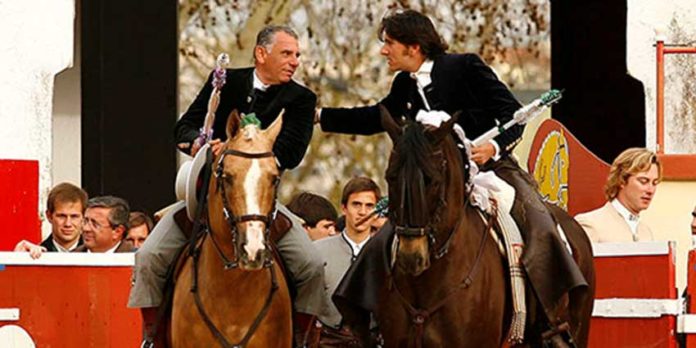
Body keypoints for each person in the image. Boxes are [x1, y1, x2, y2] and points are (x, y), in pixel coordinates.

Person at [318, 9, 586, 342]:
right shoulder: (404, 83)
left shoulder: (465, 67)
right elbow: (377, 116)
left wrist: (494, 148)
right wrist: (321, 116)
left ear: (413, 47)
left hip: (491, 166)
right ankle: (361, 321)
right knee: (389, 234)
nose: (384, 50)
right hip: (434, 179)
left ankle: (551, 324)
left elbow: (510, 113)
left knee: (537, 219)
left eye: (389, 43)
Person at [129, 24, 325, 346]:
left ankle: (301, 339)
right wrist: (200, 145)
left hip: (262, 201)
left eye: (297, 55)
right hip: (207, 198)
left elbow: (291, 152)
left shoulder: (301, 99)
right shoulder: (225, 81)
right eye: (287, 53)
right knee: (149, 257)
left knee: (312, 265)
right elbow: (185, 128)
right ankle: (151, 337)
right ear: (261, 53)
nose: (295, 61)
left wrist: (244, 149)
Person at [314, 177, 381, 345]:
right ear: (344, 208)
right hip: (327, 340)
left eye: (369, 206)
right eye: (356, 204)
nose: (362, 212)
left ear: (377, 212)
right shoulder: (317, 251)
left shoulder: (386, 255)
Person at [575, 148, 662, 242]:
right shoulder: (590, 224)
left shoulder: (646, 232)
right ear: (622, 180)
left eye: (654, 183)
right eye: (643, 181)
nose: (651, 190)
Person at [14, 183, 88, 258]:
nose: (68, 224)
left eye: (74, 216)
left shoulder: (95, 253)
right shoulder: (35, 256)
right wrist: (18, 259)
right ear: (49, 216)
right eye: (61, 216)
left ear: (84, 217)